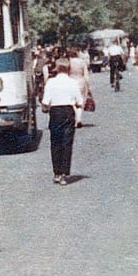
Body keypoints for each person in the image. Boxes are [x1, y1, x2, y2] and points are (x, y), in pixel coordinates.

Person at [41, 57, 82, 185]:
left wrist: (45, 109)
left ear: (56, 68)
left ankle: (57, 173)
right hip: (68, 112)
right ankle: (64, 174)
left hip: (55, 112)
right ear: (68, 68)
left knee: (55, 142)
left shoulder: (51, 82)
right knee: (66, 143)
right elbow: (79, 101)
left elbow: (45, 102)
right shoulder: (73, 83)